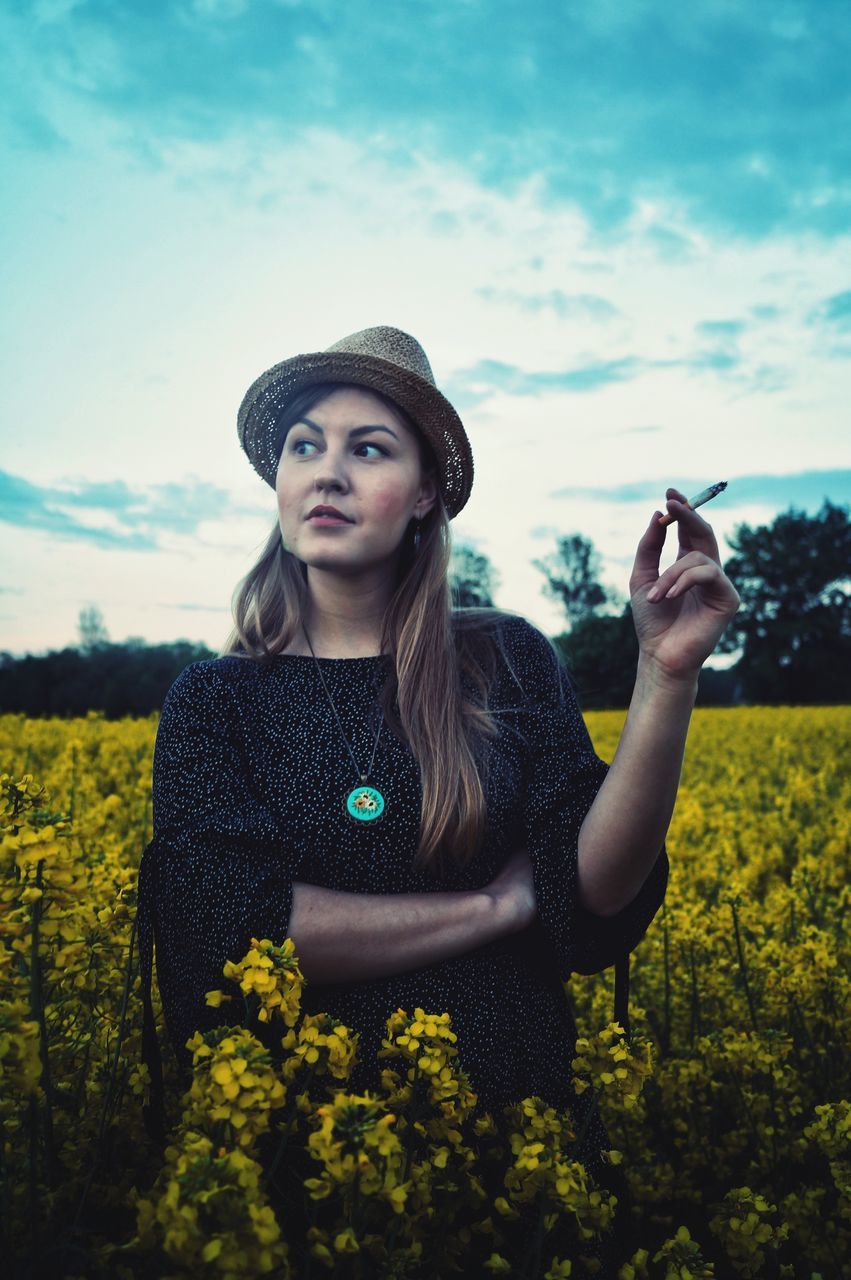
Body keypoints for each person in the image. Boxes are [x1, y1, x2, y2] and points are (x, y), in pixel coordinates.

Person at [136, 324, 740, 1267]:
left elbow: (594, 891)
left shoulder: (505, 658)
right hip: (307, 1188)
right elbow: (232, 942)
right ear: (280, 484)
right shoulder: (216, 701)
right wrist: (495, 903)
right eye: (305, 446)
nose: (326, 473)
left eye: (366, 448)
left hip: (524, 1170)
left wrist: (664, 676)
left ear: (422, 494)